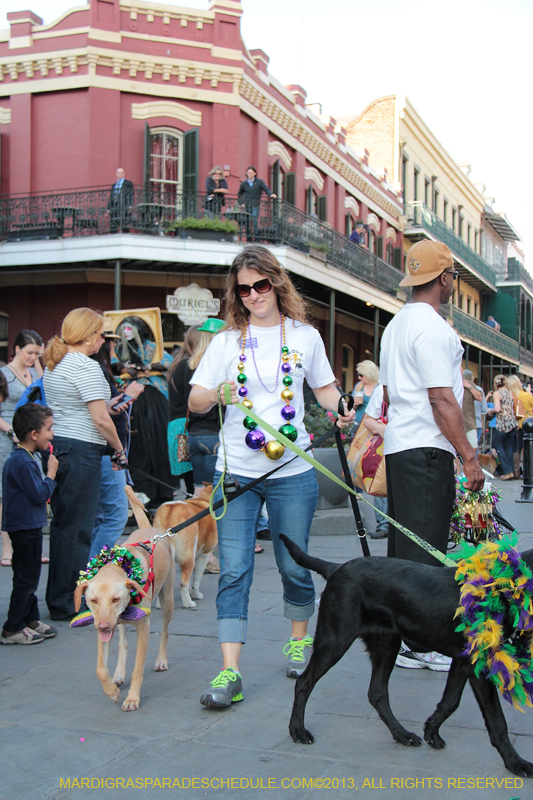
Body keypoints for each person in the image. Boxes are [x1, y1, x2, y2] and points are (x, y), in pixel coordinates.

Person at [189, 245, 354, 709]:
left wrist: (342, 411)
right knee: (235, 569)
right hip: (236, 472)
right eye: (244, 289)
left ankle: (299, 638)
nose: (253, 295)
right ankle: (229, 671)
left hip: (291, 469)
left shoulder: (304, 337)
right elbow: (196, 401)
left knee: (292, 564)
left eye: (261, 285)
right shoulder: (225, 342)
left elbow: (324, 390)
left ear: (276, 283)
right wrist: (216, 392)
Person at [378, 239, 484, 671]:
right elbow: (442, 400)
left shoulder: (396, 325)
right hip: (426, 450)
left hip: (401, 446)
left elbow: (387, 395)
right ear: (444, 279)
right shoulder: (435, 329)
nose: (453, 283)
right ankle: (420, 645)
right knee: (427, 554)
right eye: (454, 277)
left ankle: (405, 638)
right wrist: (470, 458)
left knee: (405, 550)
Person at [43, 308, 126, 620]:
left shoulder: (56, 361)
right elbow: (100, 418)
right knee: (78, 529)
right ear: (89, 336)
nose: (103, 340)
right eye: (101, 334)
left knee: (64, 526)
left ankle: (59, 598)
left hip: (62, 446)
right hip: (82, 451)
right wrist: (119, 449)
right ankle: (68, 602)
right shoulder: (86, 367)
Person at [0, 404, 58, 644]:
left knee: (29, 574)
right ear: (34, 434)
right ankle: (12, 627)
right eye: (49, 429)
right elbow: (38, 495)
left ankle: (30, 618)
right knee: (27, 577)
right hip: (24, 527)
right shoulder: (22, 461)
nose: (52, 434)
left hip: (26, 525)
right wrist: (51, 474)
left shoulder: (24, 456)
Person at [89, 332, 144, 558]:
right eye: (110, 340)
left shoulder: (98, 369)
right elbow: (103, 413)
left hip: (104, 451)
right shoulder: (95, 368)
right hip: (108, 452)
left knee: (102, 517)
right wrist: (128, 396)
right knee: (116, 516)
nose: (111, 344)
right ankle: (94, 572)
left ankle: (91, 570)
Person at [0, 330, 44, 568]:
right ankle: (7, 548)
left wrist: (38, 360)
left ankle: (29, 549)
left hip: (30, 435)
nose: (32, 357)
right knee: (4, 494)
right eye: (29, 352)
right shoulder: (4, 374)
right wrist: (11, 432)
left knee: (31, 490)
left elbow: (45, 386)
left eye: (36, 353)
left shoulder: (34, 371)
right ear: (17, 349)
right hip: (8, 433)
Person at [167, 325, 201, 497]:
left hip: (176, 425)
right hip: (186, 426)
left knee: (189, 485)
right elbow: (193, 400)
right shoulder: (189, 365)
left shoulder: (177, 363)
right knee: (196, 485)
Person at [361, 382, 388, 539]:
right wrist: (383, 429)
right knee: (381, 482)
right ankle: (384, 524)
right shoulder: (383, 388)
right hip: (385, 445)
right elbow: (368, 419)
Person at [487, 375, 518, 481]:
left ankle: (507, 471)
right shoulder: (510, 393)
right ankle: (511, 471)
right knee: (508, 446)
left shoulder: (497, 393)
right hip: (512, 423)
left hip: (502, 423)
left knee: (497, 445)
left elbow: (497, 408)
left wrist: (490, 410)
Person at [238, 167, 277, 241]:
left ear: (255, 173)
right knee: (247, 222)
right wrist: (241, 202)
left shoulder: (259, 182)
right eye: (248, 173)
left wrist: (271, 194)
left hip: (255, 205)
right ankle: (248, 239)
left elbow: (266, 189)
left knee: (254, 220)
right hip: (246, 205)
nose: (249, 174)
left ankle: (257, 239)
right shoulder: (244, 184)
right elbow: (240, 193)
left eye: (251, 173)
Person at [461, 368, 483, 456]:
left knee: (473, 447)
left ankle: (467, 469)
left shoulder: (469, 384)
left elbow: (480, 397)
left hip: (469, 423)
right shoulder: (453, 383)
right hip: (455, 422)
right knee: (457, 450)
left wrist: (469, 386)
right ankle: (458, 470)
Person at [107, 167, 134, 233]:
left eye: (122, 173)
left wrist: (130, 205)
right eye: (119, 173)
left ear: (124, 174)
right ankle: (112, 238)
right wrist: (108, 208)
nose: (120, 174)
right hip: (115, 206)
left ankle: (126, 236)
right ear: (116, 174)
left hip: (124, 205)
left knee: (124, 223)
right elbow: (111, 197)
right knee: (113, 223)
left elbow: (131, 195)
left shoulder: (128, 183)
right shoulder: (114, 185)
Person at [517, 382, 533, 458]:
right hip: (529, 422)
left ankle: (518, 463)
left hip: (518, 423)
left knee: (518, 445)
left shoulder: (516, 394)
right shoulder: (527, 395)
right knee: (528, 444)